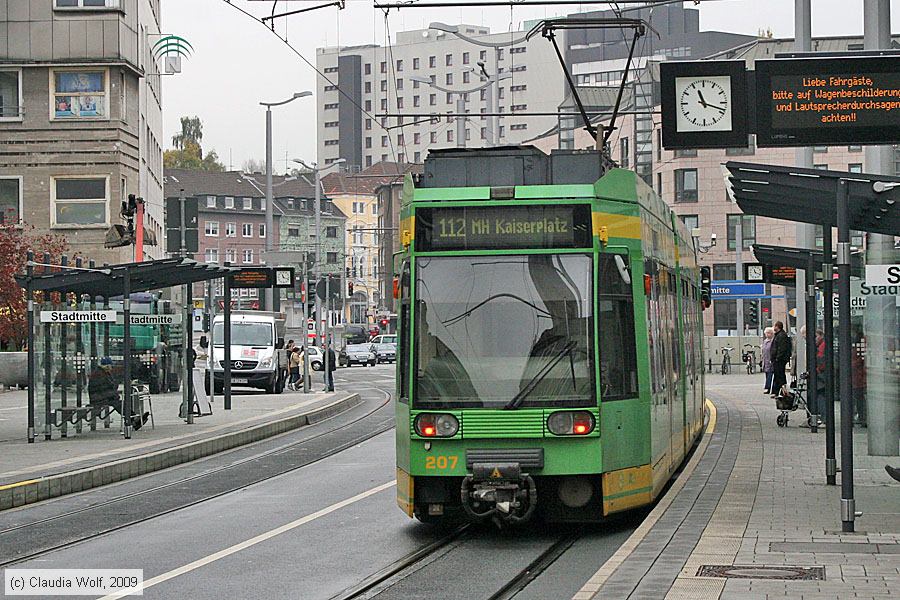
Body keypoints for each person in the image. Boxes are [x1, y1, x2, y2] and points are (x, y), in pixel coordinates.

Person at [88, 357, 149, 430]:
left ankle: (133, 418)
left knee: (120, 403)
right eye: (110, 366)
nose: (111, 368)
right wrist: (114, 394)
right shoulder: (99, 374)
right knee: (119, 404)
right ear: (107, 366)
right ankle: (133, 419)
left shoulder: (104, 373)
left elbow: (110, 387)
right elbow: (106, 387)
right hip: (98, 398)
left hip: (102, 396)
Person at [770, 321, 791, 398]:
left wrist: (777, 358)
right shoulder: (779, 335)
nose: (773, 328)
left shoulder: (781, 336)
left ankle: (781, 392)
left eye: (775, 326)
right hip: (778, 359)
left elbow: (781, 348)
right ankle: (779, 391)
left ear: (777, 327)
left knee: (779, 376)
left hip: (779, 360)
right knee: (778, 375)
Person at [761, 327, 775, 394]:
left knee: (770, 373)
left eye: (768, 333)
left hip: (770, 359)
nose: (767, 334)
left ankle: (767, 387)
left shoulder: (773, 341)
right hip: (765, 359)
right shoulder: (765, 341)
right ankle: (769, 388)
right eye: (766, 333)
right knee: (767, 373)